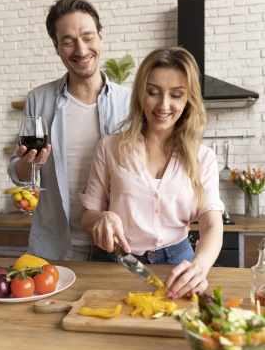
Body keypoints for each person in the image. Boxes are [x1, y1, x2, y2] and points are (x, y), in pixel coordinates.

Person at [80, 46, 224, 298]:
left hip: (180, 264)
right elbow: (87, 216)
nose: (163, 105)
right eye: (153, 92)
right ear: (140, 94)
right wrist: (101, 217)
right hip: (121, 262)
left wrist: (199, 267)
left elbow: (212, 224)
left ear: (188, 99)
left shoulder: (204, 158)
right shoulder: (110, 147)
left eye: (176, 95)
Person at [7, 0, 131, 261]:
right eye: (68, 41)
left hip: (117, 246)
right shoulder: (38, 100)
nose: (81, 50)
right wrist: (30, 164)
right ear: (56, 47)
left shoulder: (130, 102)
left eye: (88, 37)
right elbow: (18, 172)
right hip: (55, 246)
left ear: (100, 36)